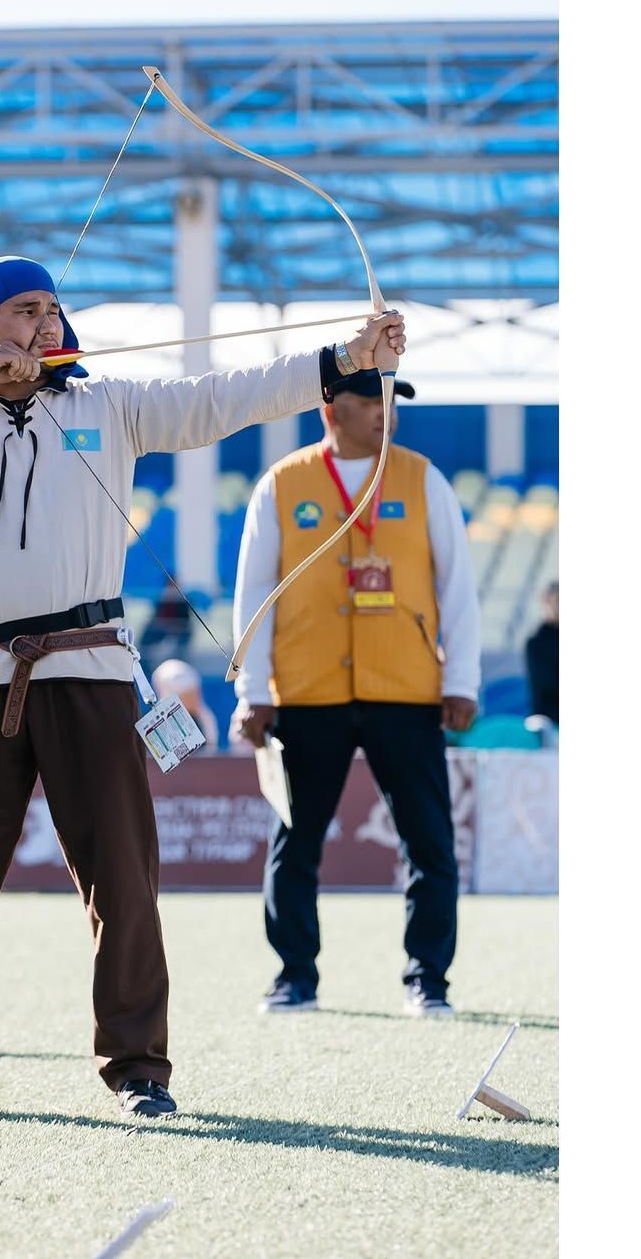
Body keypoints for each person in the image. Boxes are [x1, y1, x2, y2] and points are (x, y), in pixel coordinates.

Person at [0, 254, 405, 1121]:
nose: (46, 323)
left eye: (53, 308)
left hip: (91, 669)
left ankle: (139, 1068)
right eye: (24, 310)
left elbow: (227, 395)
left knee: (122, 881)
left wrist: (346, 359)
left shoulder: (110, 406)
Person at [231, 369, 479, 1019]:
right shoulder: (281, 484)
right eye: (369, 400)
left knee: (429, 843)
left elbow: (458, 588)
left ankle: (428, 979)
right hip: (306, 692)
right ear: (330, 409)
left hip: (408, 688)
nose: (383, 412)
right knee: (295, 843)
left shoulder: (425, 479)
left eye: (389, 400)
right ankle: (295, 977)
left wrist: (461, 680)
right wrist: (253, 689)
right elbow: (253, 593)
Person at [151, 658, 220, 749]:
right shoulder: (158, 725)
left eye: (195, 692)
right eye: (188, 694)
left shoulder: (205, 717)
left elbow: (212, 750)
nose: (195, 697)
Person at [525, 580, 558, 726]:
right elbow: (548, 685)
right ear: (546, 602)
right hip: (549, 722)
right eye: (557, 601)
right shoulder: (536, 642)